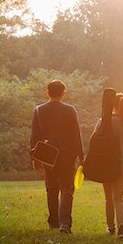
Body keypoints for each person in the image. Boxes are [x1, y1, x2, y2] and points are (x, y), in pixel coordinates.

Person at [30, 80, 84, 235]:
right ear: (63, 93)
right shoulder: (70, 110)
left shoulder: (39, 110)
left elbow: (35, 136)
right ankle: (65, 224)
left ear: (47, 92)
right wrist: (81, 156)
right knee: (67, 189)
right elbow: (76, 135)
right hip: (67, 155)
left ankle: (53, 221)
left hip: (48, 156)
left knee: (51, 189)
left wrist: (35, 158)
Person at [99, 92, 123, 240]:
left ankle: (111, 228)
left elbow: (95, 142)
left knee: (109, 198)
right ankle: (121, 228)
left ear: (112, 105)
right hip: (122, 165)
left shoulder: (104, 121)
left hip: (106, 164)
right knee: (118, 199)